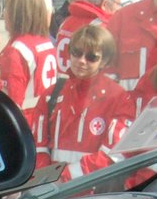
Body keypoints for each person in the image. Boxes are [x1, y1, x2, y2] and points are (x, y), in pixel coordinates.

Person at [43, 22, 138, 180]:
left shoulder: (119, 98)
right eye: (77, 52)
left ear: (104, 61)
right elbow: (38, 147)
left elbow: (114, 153)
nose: (81, 60)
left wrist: (66, 177)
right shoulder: (51, 94)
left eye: (91, 57)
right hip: (52, 190)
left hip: (92, 191)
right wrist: (45, 181)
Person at [0, 0, 59, 153]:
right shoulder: (46, 43)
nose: (4, 14)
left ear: (18, 14)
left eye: (7, 9)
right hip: (43, 121)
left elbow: (12, 100)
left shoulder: (16, 50)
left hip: (24, 125)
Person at [55, 0, 122, 71]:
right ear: (105, 4)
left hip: (63, 82)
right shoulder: (102, 29)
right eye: (118, 4)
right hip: (87, 84)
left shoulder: (66, 22)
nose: (118, 9)